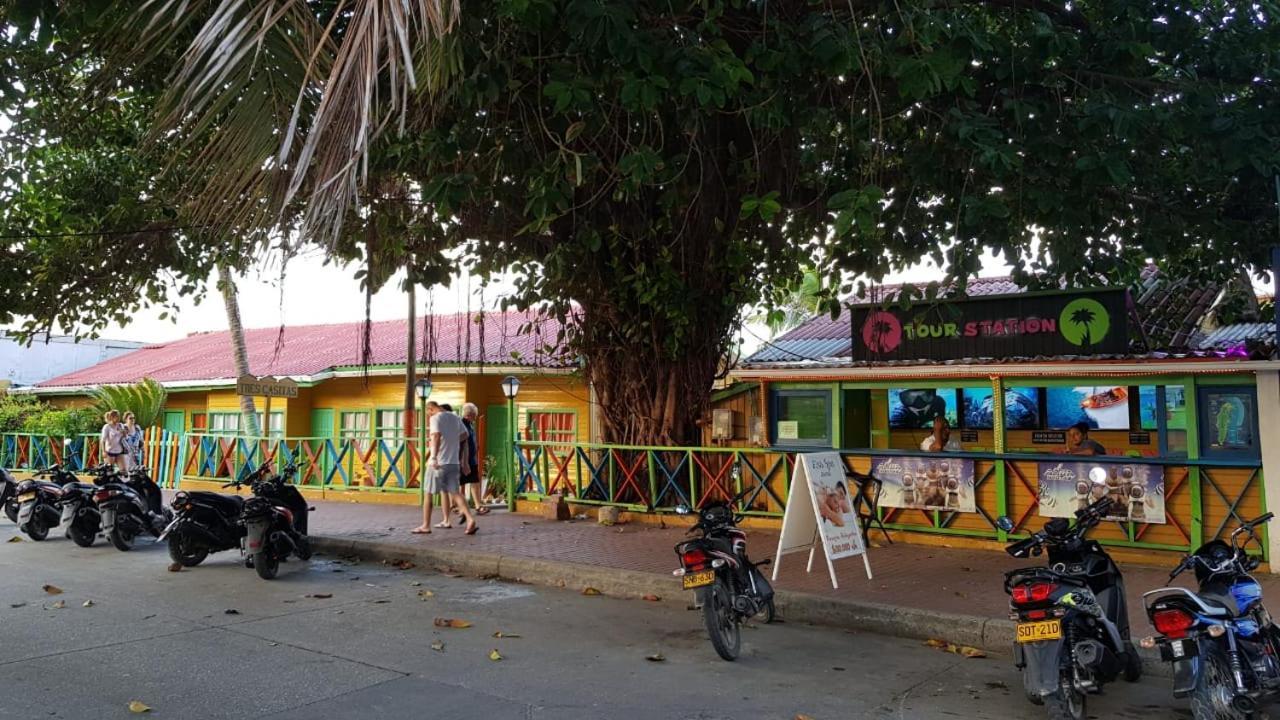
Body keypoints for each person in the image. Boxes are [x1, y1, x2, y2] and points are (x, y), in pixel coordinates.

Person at [412, 402, 477, 535]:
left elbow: (435, 436)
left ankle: (425, 525)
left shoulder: (435, 418)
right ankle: (470, 519)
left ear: (430, 409)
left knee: (428, 493)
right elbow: (465, 435)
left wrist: (434, 456)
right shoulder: (455, 417)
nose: (429, 415)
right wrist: (452, 443)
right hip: (453, 462)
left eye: (428, 412)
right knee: (455, 492)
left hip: (439, 463)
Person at [459, 403, 489, 515]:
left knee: (475, 481)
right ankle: (457, 505)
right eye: (474, 415)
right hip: (462, 459)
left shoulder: (470, 425)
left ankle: (478, 505)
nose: (475, 418)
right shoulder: (461, 424)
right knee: (458, 483)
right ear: (469, 414)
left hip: (472, 459)